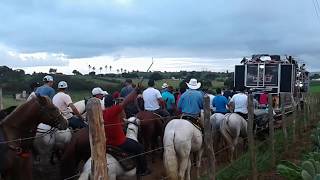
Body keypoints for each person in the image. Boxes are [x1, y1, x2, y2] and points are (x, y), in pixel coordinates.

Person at [103, 89, 151, 176]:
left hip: (108, 142)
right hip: (120, 142)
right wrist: (135, 91)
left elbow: (113, 122)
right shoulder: (113, 110)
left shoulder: (102, 113)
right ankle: (143, 170)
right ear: (113, 103)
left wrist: (124, 122)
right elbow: (126, 101)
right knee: (140, 148)